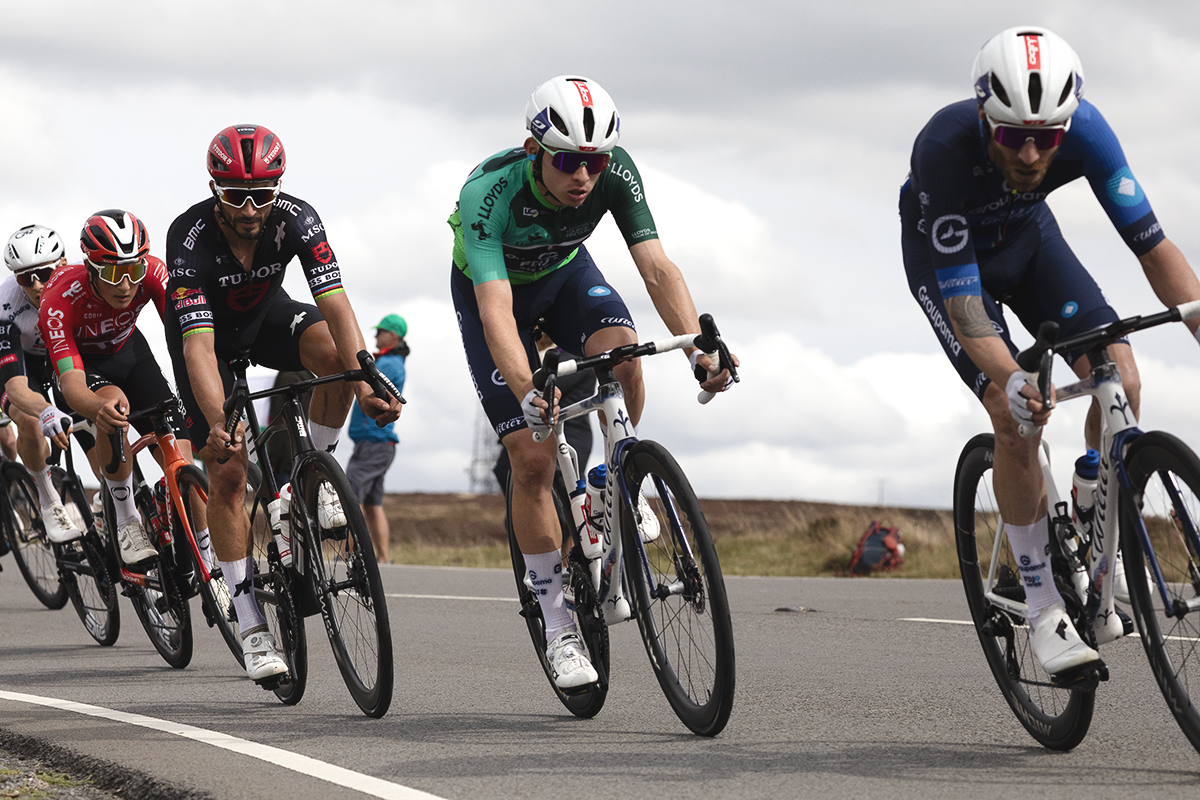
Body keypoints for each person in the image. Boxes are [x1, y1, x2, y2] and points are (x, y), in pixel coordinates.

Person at [901, 26, 1200, 675]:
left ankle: (1096, 511)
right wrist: (1011, 379)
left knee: (1121, 375)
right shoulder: (944, 148)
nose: (1033, 153)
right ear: (985, 116)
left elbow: (1155, 249)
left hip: (1031, 241)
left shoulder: (1088, 132)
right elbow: (963, 299)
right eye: (1013, 135)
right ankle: (1041, 607)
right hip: (952, 269)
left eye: (1047, 136)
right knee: (1016, 417)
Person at [449, 76, 737, 690]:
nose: (584, 175)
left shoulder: (615, 172)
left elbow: (656, 266)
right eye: (568, 161)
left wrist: (699, 347)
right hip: (494, 296)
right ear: (534, 151)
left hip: (563, 274)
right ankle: (559, 626)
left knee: (626, 358)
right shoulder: (489, 194)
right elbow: (497, 312)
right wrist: (529, 385)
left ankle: (619, 477)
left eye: (595, 162)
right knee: (532, 459)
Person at [164, 124, 402, 683]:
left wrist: (366, 376)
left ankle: (313, 478)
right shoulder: (190, 236)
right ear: (214, 189)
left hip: (269, 319)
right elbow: (198, 346)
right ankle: (249, 624)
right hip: (208, 344)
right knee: (227, 474)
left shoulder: (299, 218)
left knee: (340, 359)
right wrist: (219, 420)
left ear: (279, 188)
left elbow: (336, 304)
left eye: (263, 195)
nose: (250, 209)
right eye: (235, 196)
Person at [37, 211, 200, 564]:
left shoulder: (154, 274)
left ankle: (206, 553)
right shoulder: (59, 298)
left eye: (133, 270)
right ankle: (126, 518)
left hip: (129, 350)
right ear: (91, 267)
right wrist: (97, 409)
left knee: (183, 458)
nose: (126, 284)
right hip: (82, 364)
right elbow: (71, 383)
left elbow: (186, 342)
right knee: (114, 406)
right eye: (112, 273)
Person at [0, 224, 80, 542]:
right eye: (25, 278)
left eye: (44, 274)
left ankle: (106, 504)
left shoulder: (78, 283)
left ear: (61, 263)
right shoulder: (5, 303)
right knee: (30, 420)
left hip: (56, 355)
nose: (35, 285)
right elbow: (15, 385)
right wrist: (43, 409)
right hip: (16, 363)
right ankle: (48, 502)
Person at [345, 314, 408, 564]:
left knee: (351, 497)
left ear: (394, 335)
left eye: (381, 331)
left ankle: (348, 554)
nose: (376, 335)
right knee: (373, 503)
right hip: (381, 443)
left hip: (372, 441)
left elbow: (366, 379)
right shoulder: (392, 361)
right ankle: (382, 558)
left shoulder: (389, 364)